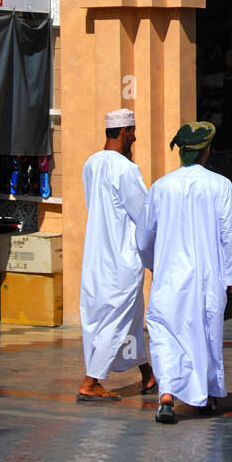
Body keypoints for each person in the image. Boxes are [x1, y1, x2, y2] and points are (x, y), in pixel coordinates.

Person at [138, 121, 232, 424]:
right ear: (206, 151)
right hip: (206, 279)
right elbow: (230, 233)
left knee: (166, 334)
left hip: (169, 278)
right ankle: (208, 395)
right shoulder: (220, 185)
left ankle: (166, 396)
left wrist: (153, 263)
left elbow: (144, 237)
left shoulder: (160, 187)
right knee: (206, 335)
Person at [77, 108, 156, 402]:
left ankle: (147, 375)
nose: (134, 138)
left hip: (97, 256)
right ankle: (91, 381)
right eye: (133, 133)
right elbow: (144, 216)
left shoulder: (91, 163)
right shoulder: (125, 170)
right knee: (117, 319)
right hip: (121, 259)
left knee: (130, 318)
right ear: (125, 132)